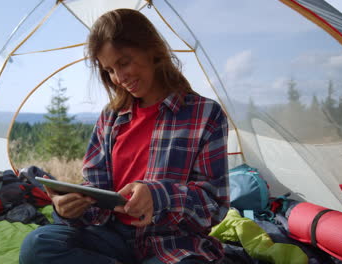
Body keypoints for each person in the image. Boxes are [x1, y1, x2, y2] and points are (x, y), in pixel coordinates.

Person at [19, 8, 229, 264]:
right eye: (109, 70)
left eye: (124, 62)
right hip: (112, 235)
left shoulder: (205, 114)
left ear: (152, 49)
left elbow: (214, 206)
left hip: (173, 242)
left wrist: (159, 196)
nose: (119, 78)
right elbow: (95, 188)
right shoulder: (111, 117)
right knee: (37, 246)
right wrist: (68, 208)